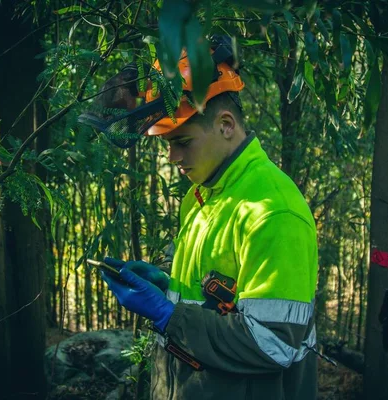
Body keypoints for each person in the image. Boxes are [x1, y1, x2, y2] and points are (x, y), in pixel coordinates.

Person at [88, 36, 319, 400]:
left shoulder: (273, 211)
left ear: (226, 124)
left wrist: (168, 315)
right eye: (167, 145)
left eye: (182, 142)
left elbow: (275, 344)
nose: (173, 157)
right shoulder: (201, 195)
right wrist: (167, 286)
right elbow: (213, 300)